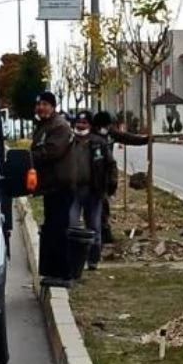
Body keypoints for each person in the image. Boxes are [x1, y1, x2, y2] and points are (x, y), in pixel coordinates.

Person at [30, 91, 76, 286]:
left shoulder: (59, 126)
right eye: (39, 104)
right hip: (51, 186)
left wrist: (29, 157)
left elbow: (52, 151)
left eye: (45, 104)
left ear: (53, 106)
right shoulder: (45, 125)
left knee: (59, 229)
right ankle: (53, 272)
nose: (41, 108)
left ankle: (65, 275)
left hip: (61, 186)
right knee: (51, 229)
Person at [69, 110, 117, 271]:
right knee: (72, 225)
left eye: (84, 122)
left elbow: (111, 165)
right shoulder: (68, 142)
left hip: (93, 192)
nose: (81, 125)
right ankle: (74, 260)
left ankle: (93, 260)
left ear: (90, 125)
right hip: (72, 191)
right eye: (78, 122)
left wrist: (110, 186)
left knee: (94, 227)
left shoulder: (98, 143)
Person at [91, 110, 148, 244]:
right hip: (93, 174)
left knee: (104, 202)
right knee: (99, 203)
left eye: (106, 126)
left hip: (108, 172)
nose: (104, 129)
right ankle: (102, 233)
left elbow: (126, 138)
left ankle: (103, 231)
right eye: (101, 127)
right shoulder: (91, 135)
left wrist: (144, 140)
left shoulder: (111, 132)